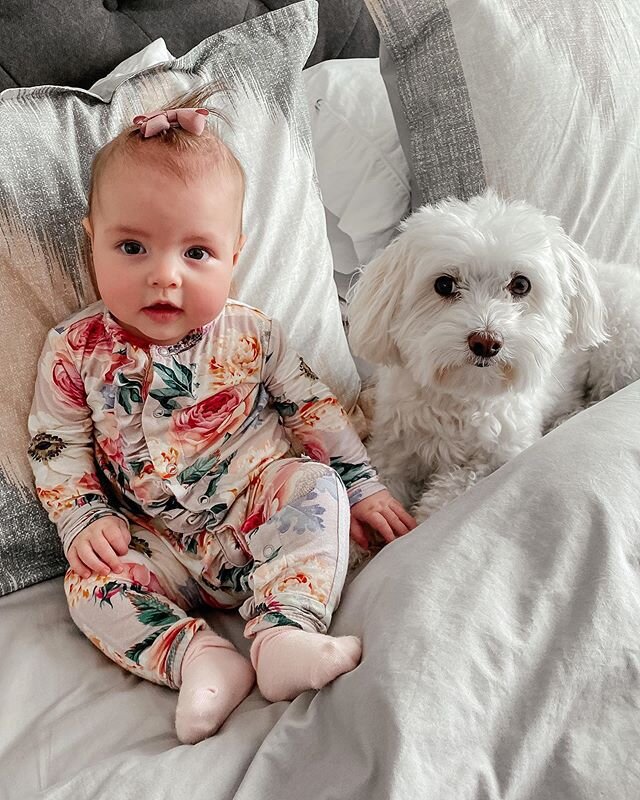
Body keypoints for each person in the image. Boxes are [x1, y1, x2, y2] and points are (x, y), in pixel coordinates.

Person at [27, 86, 416, 745]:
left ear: (235, 254)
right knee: (90, 585)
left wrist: (363, 482)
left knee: (315, 490)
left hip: (254, 514)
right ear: (92, 243)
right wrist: (83, 518)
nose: (165, 277)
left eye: (196, 253)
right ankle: (200, 659)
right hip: (156, 542)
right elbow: (54, 440)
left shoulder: (254, 335)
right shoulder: (75, 350)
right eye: (132, 248)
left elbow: (313, 409)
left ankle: (283, 633)